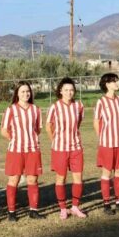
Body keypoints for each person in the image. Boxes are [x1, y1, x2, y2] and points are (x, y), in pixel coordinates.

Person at [1, 81, 43, 222]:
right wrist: (15, 139)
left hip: (32, 150)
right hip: (16, 151)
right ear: (17, 94)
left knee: (33, 179)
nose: (26, 94)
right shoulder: (11, 109)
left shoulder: (35, 109)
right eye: (22, 91)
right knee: (14, 179)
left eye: (27, 91)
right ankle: (11, 212)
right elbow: (4, 130)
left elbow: (38, 129)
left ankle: (33, 210)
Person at [46, 77, 86, 220]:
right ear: (60, 91)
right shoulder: (54, 107)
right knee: (60, 178)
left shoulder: (79, 106)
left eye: (71, 90)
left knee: (78, 178)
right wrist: (55, 141)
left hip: (76, 147)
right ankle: (63, 208)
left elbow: (78, 122)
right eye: (66, 90)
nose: (69, 93)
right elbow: (48, 126)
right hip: (60, 148)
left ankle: (75, 206)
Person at [93, 73, 119, 215]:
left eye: (116, 81)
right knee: (106, 173)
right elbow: (96, 121)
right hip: (107, 143)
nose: (116, 83)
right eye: (114, 81)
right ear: (107, 84)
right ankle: (106, 203)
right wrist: (101, 137)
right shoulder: (101, 102)